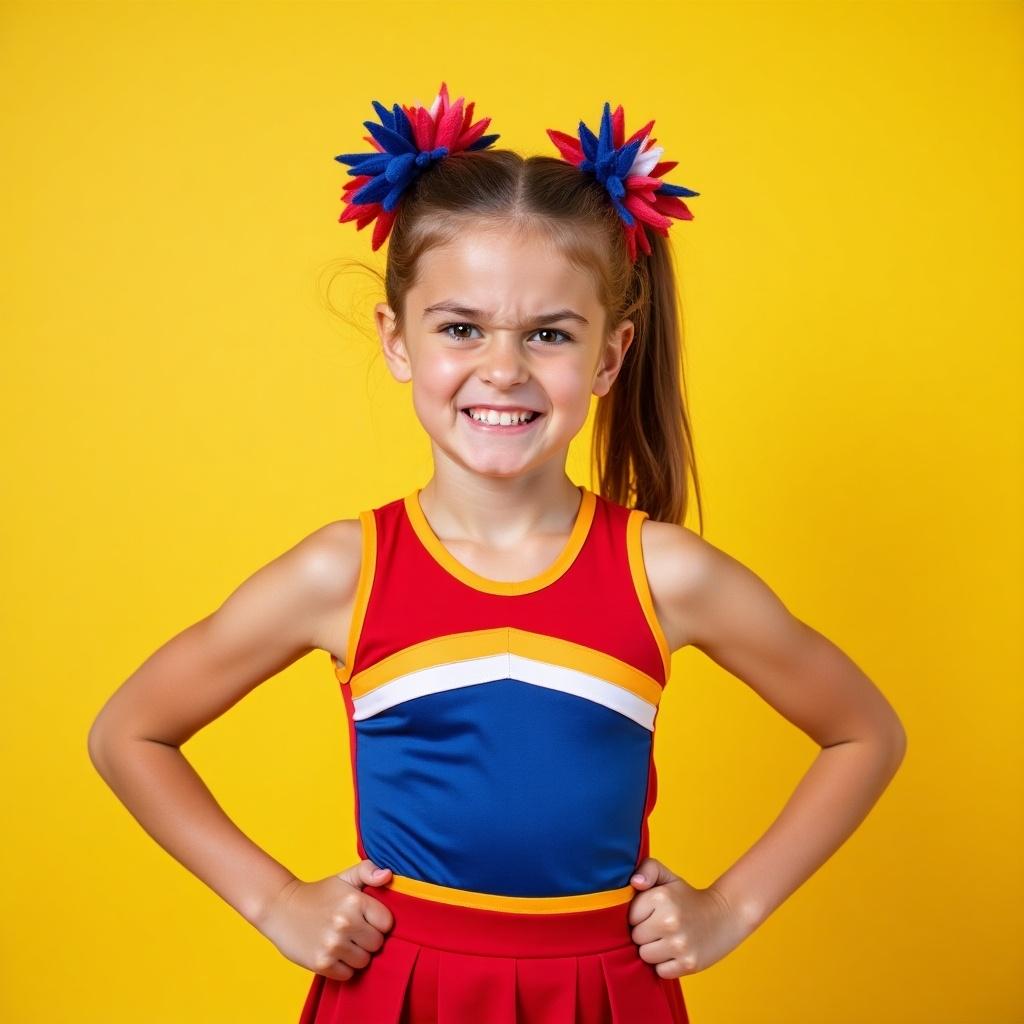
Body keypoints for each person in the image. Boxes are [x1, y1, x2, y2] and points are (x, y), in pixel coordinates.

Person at [87, 82, 907, 1024]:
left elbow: (864, 731)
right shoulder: (344, 573)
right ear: (398, 340)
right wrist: (274, 900)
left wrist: (731, 908)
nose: (504, 368)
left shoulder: (665, 574)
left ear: (608, 356)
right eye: (462, 328)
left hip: (606, 993)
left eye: (550, 335)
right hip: (397, 994)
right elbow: (130, 732)